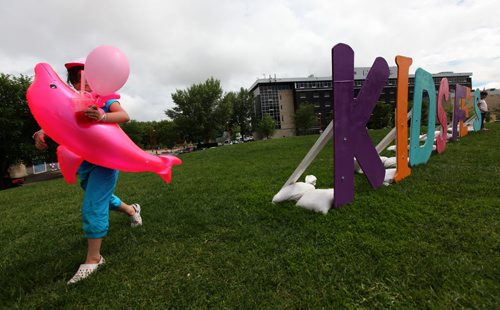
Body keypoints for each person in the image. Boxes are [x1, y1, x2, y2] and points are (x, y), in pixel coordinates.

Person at [33, 58, 142, 284]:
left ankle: (94, 258)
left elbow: (123, 116)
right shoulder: (72, 100)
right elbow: (61, 122)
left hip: (105, 160)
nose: (80, 82)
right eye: (75, 78)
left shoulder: (105, 98)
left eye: (85, 77)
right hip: (83, 162)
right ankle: (132, 210)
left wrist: (102, 116)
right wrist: (41, 132)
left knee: (93, 205)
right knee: (102, 198)